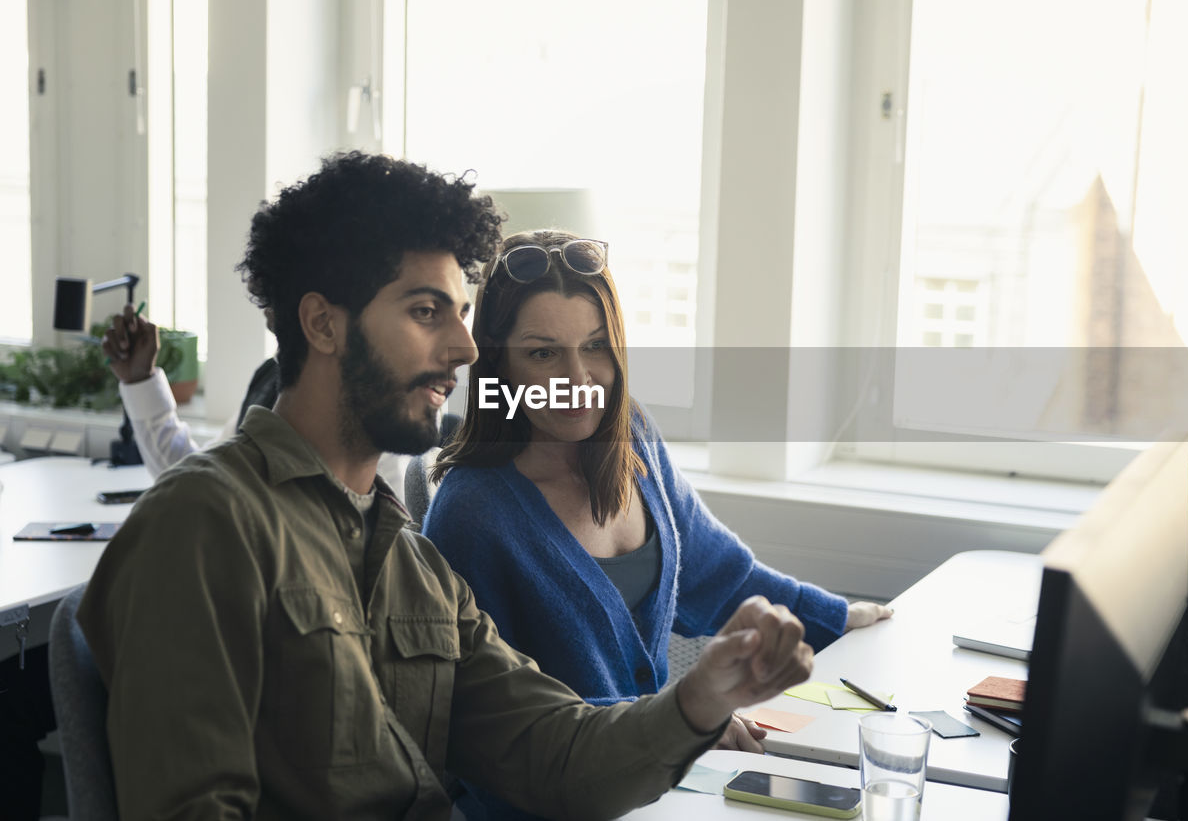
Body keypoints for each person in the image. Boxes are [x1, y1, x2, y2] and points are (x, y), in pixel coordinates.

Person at [77, 152, 817, 820]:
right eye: (426, 311)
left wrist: (700, 698)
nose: (465, 348)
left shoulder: (409, 558)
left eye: (461, 314)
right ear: (323, 324)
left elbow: (555, 752)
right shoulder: (207, 522)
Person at [423, 229, 892, 818]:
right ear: (498, 364)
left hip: (658, 785)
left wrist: (841, 620)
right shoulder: (472, 513)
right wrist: (681, 725)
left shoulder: (632, 438)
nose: (580, 378)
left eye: (596, 346)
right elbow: (504, 727)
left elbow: (717, 572)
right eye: (543, 353)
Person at [99, 306, 425, 502]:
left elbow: (393, 549)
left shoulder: (379, 413)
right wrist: (140, 380)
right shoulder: (270, 379)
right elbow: (196, 479)